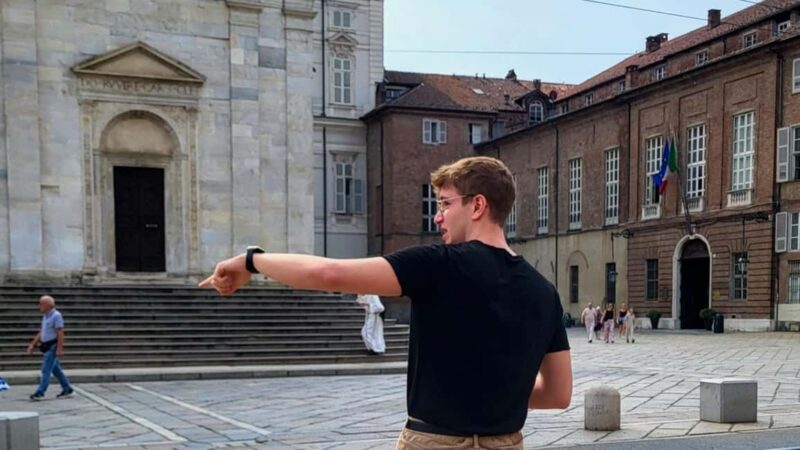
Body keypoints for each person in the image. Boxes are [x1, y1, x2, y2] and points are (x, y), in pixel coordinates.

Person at [200, 156, 573, 450]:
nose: (437, 215)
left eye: (445, 203)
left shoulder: (438, 265)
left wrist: (251, 260)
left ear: (477, 206)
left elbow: (330, 274)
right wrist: (498, 395)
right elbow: (558, 395)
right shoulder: (544, 291)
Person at [27, 295, 74, 401]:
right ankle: (67, 388)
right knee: (56, 370)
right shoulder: (45, 316)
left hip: (52, 346)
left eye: (41, 303)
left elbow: (60, 332)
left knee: (46, 370)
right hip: (46, 346)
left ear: (47, 305)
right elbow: (42, 331)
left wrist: (60, 348)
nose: (39, 305)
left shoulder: (56, 316)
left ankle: (40, 392)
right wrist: (33, 344)